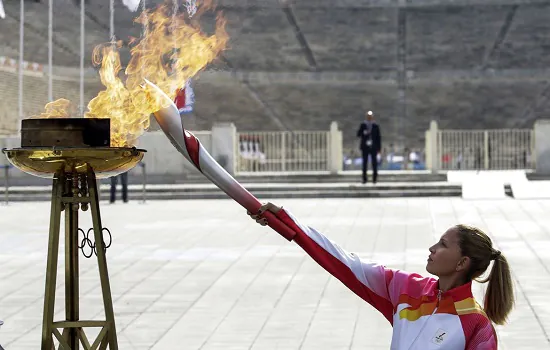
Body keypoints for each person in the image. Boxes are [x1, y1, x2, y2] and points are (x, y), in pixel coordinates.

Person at [247, 203, 514, 349]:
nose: (432, 249)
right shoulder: (406, 290)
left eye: (443, 245)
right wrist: (285, 222)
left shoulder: (476, 325)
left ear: (462, 263)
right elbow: (343, 262)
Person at [356, 111, 381, 184]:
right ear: (366, 116)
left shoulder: (376, 126)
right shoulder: (363, 125)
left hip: (373, 147)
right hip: (365, 146)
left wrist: (379, 148)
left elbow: (378, 138)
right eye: (368, 116)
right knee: (365, 163)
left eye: (370, 116)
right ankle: (364, 179)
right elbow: (358, 134)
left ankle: (374, 179)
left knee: (374, 163)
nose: (369, 117)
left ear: (372, 116)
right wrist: (364, 132)